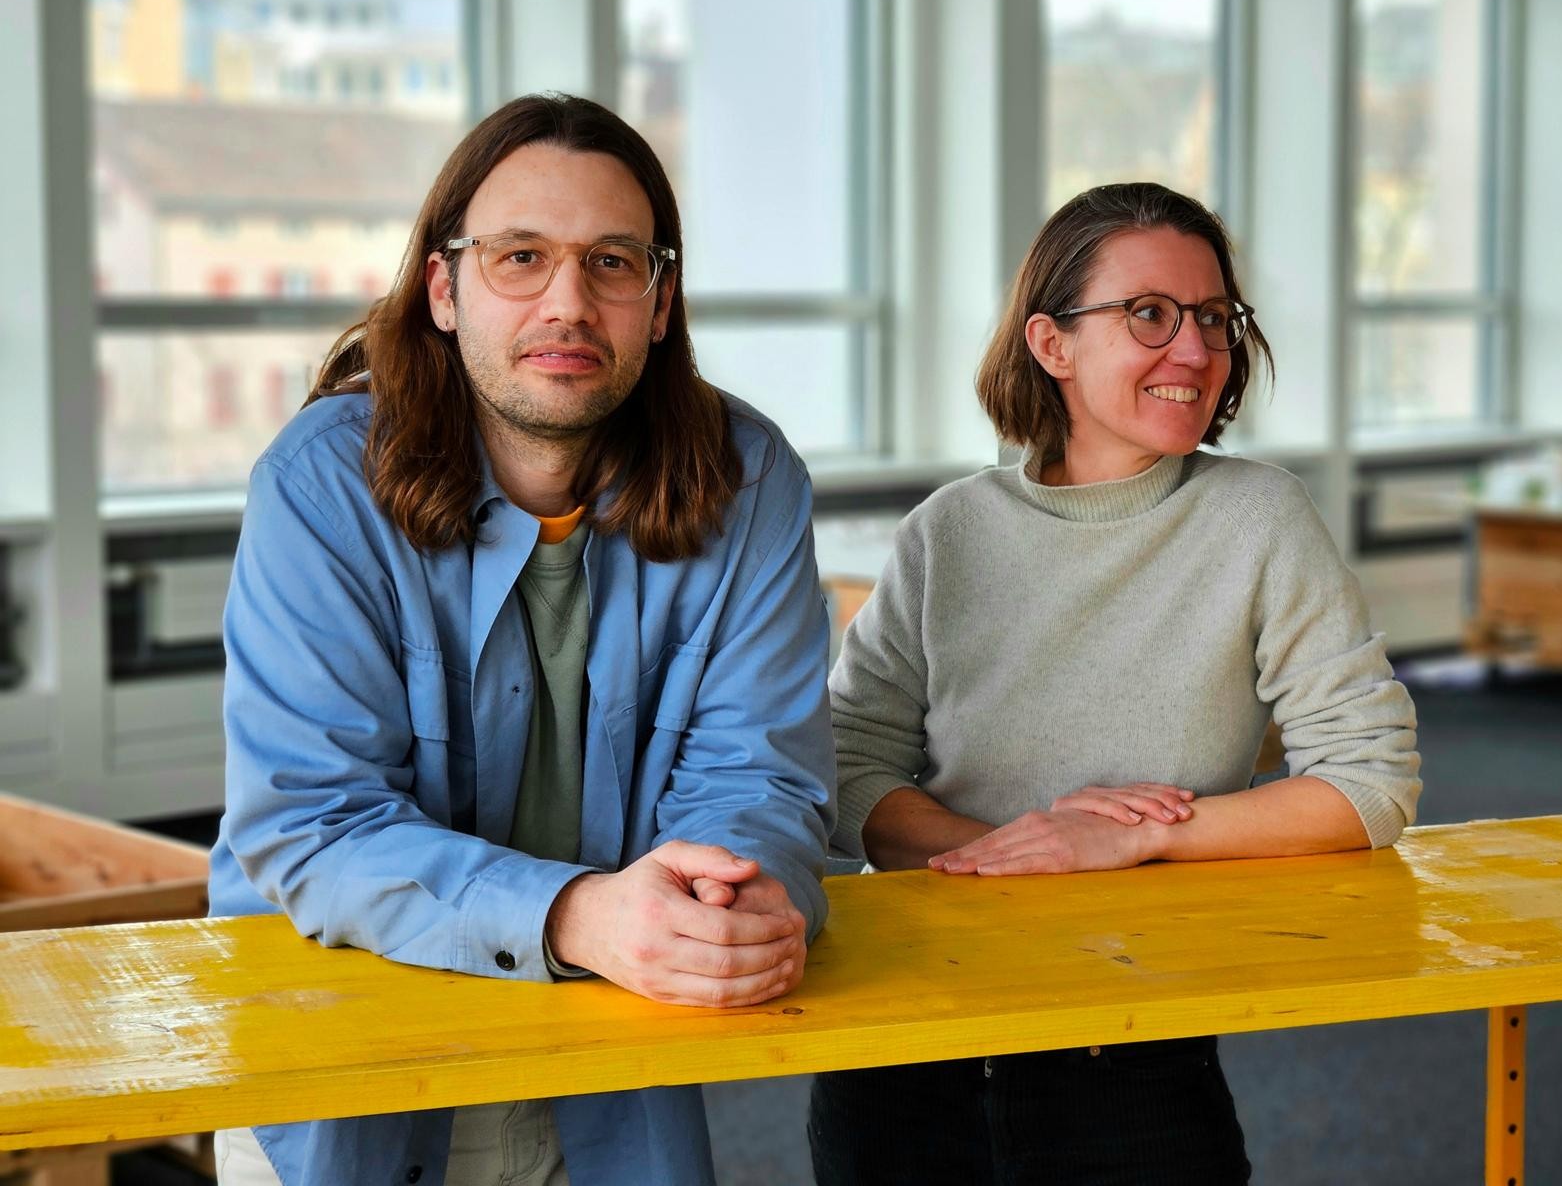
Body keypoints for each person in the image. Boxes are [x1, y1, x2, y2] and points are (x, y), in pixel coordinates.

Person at [207, 93, 835, 1186]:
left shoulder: (751, 476)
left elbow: (760, 781)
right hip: (344, 1058)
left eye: (611, 263)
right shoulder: (317, 486)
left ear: (660, 297)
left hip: (610, 1054)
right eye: (520, 257)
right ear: (445, 288)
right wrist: (573, 913)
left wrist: (738, 893)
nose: (568, 303)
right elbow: (312, 821)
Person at [810, 181, 1422, 1185]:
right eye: (1148, 315)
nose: (1194, 350)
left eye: (1213, 317)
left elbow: (1368, 788)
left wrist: (1133, 840)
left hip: (1133, 1052)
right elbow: (845, 767)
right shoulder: (948, 531)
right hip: (910, 1038)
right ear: (1050, 344)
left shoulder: (1259, 518)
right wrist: (1009, 854)